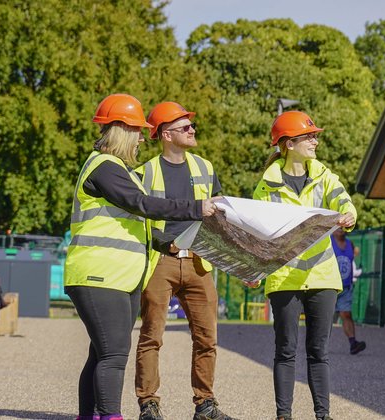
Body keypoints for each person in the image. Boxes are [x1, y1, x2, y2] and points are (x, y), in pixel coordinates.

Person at [65, 93, 220, 420]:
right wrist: (195, 208)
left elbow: (141, 221)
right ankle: (110, 416)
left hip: (116, 277)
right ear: (121, 130)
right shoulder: (106, 167)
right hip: (99, 276)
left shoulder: (117, 168)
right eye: (136, 131)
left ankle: (88, 416)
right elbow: (144, 204)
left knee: (100, 354)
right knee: (113, 354)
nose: (139, 139)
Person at [252, 111, 357, 420]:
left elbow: (344, 200)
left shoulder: (325, 176)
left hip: (322, 275)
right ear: (288, 143)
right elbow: (256, 232)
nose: (315, 140)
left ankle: (323, 416)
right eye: (309, 136)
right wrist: (254, 268)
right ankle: (283, 415)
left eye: (314, 135)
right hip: (284, 277)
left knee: (318, 352)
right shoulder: (266, 187)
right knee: (285, 351)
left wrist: (349, 215)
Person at [133, 102, 230, 420]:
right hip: (161, 261)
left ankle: (205, 404)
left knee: (207, 338)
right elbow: (137, 219)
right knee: (151, 335)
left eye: (191, 125)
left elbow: (220, 216)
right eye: (185, 126)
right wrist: (164, 242)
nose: (192, 129)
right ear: (166, 134)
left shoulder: (205, 167)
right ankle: (149, 404)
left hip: (200, 263)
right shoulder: (145, 172)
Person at [331, 228, 366, 355]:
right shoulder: (328, 242)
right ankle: (316, 345)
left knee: (346, 314)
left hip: (345, 287)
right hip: (329, 287)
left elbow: (351, 264)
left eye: (342, 227)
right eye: (337, 226)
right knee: (325, 317)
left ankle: (353, 343)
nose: (340, 229)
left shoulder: (350, 244)